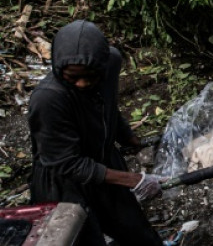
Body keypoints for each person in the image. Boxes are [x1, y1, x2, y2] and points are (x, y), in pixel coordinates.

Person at [28, 20, 164, 246]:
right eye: (72, 78)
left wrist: (127, 136)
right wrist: (133, 179)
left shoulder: (111, 62)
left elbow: (107, 102)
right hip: (64, 182)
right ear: (58, 68)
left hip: (102, 161)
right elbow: (66, 162)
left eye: (91, 77)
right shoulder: (48, 99)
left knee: (138, 234)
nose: (82, 84)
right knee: (82, 238)